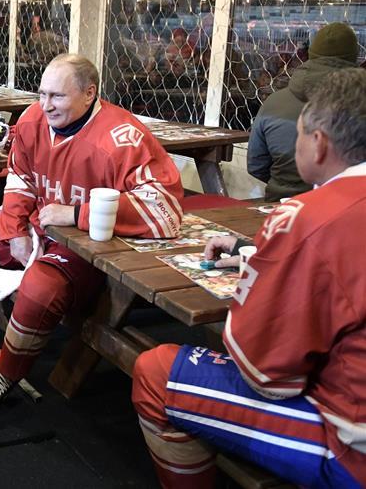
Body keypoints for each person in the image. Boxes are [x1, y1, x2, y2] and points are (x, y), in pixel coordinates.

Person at [132, 68, 366, 488]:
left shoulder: (309, 216)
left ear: (319, 143)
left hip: (352, 452)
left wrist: (269, 272)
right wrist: (257, 257)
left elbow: (265, 373)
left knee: (155, 372)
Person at [0, 54, 184, 417]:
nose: (45, 105)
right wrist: (13, 230)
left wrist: (77, 214)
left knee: (40, 286)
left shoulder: (124, 137)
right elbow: (20, 178)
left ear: (89, 94)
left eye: (56, 96)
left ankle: (7, 371)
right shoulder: (32, 119)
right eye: (41, 94)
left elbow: (165, 210)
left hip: (84, 250)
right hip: (35, 228)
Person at [248, 22, 360, 200]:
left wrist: (287, 185)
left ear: (310, 55)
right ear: (355, 57)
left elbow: (256, 165)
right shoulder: (359, 106)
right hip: (346, 208)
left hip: (279, 205)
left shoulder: (274, 102)